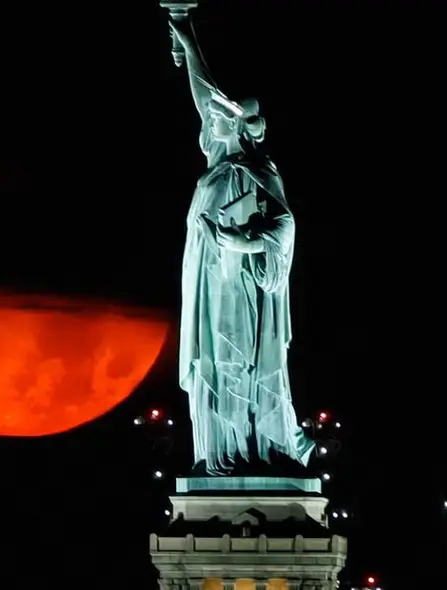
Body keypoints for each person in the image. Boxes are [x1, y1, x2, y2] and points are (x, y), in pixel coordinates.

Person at [170, 19, 314, 475]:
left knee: (244, 364)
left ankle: (259, 447)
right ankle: (221, 452)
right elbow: (202, 93)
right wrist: (186, 34)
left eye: (219, 117)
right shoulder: (216, 164)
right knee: (216, 361)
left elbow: (285, 224)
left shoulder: (258, 169)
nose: (210, 119)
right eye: (211, 117)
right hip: (211, 285)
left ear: (238, 128)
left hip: (246, 291)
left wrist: (243, 241)